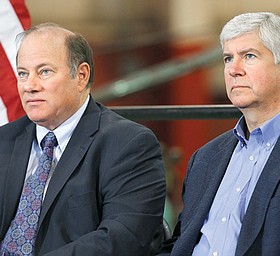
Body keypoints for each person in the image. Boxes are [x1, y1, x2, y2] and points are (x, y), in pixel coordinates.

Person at [158, 12, 280, 256]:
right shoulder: (205, 158)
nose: (233, 70)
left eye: (249, 56)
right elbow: (180, 242)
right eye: (227, 58)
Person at [0, 22, 166, 256]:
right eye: (23, 73)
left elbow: (124, 238)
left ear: (81, 76)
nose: (30, 86)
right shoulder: (4, 140)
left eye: (44, 71)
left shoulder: (128, 143)